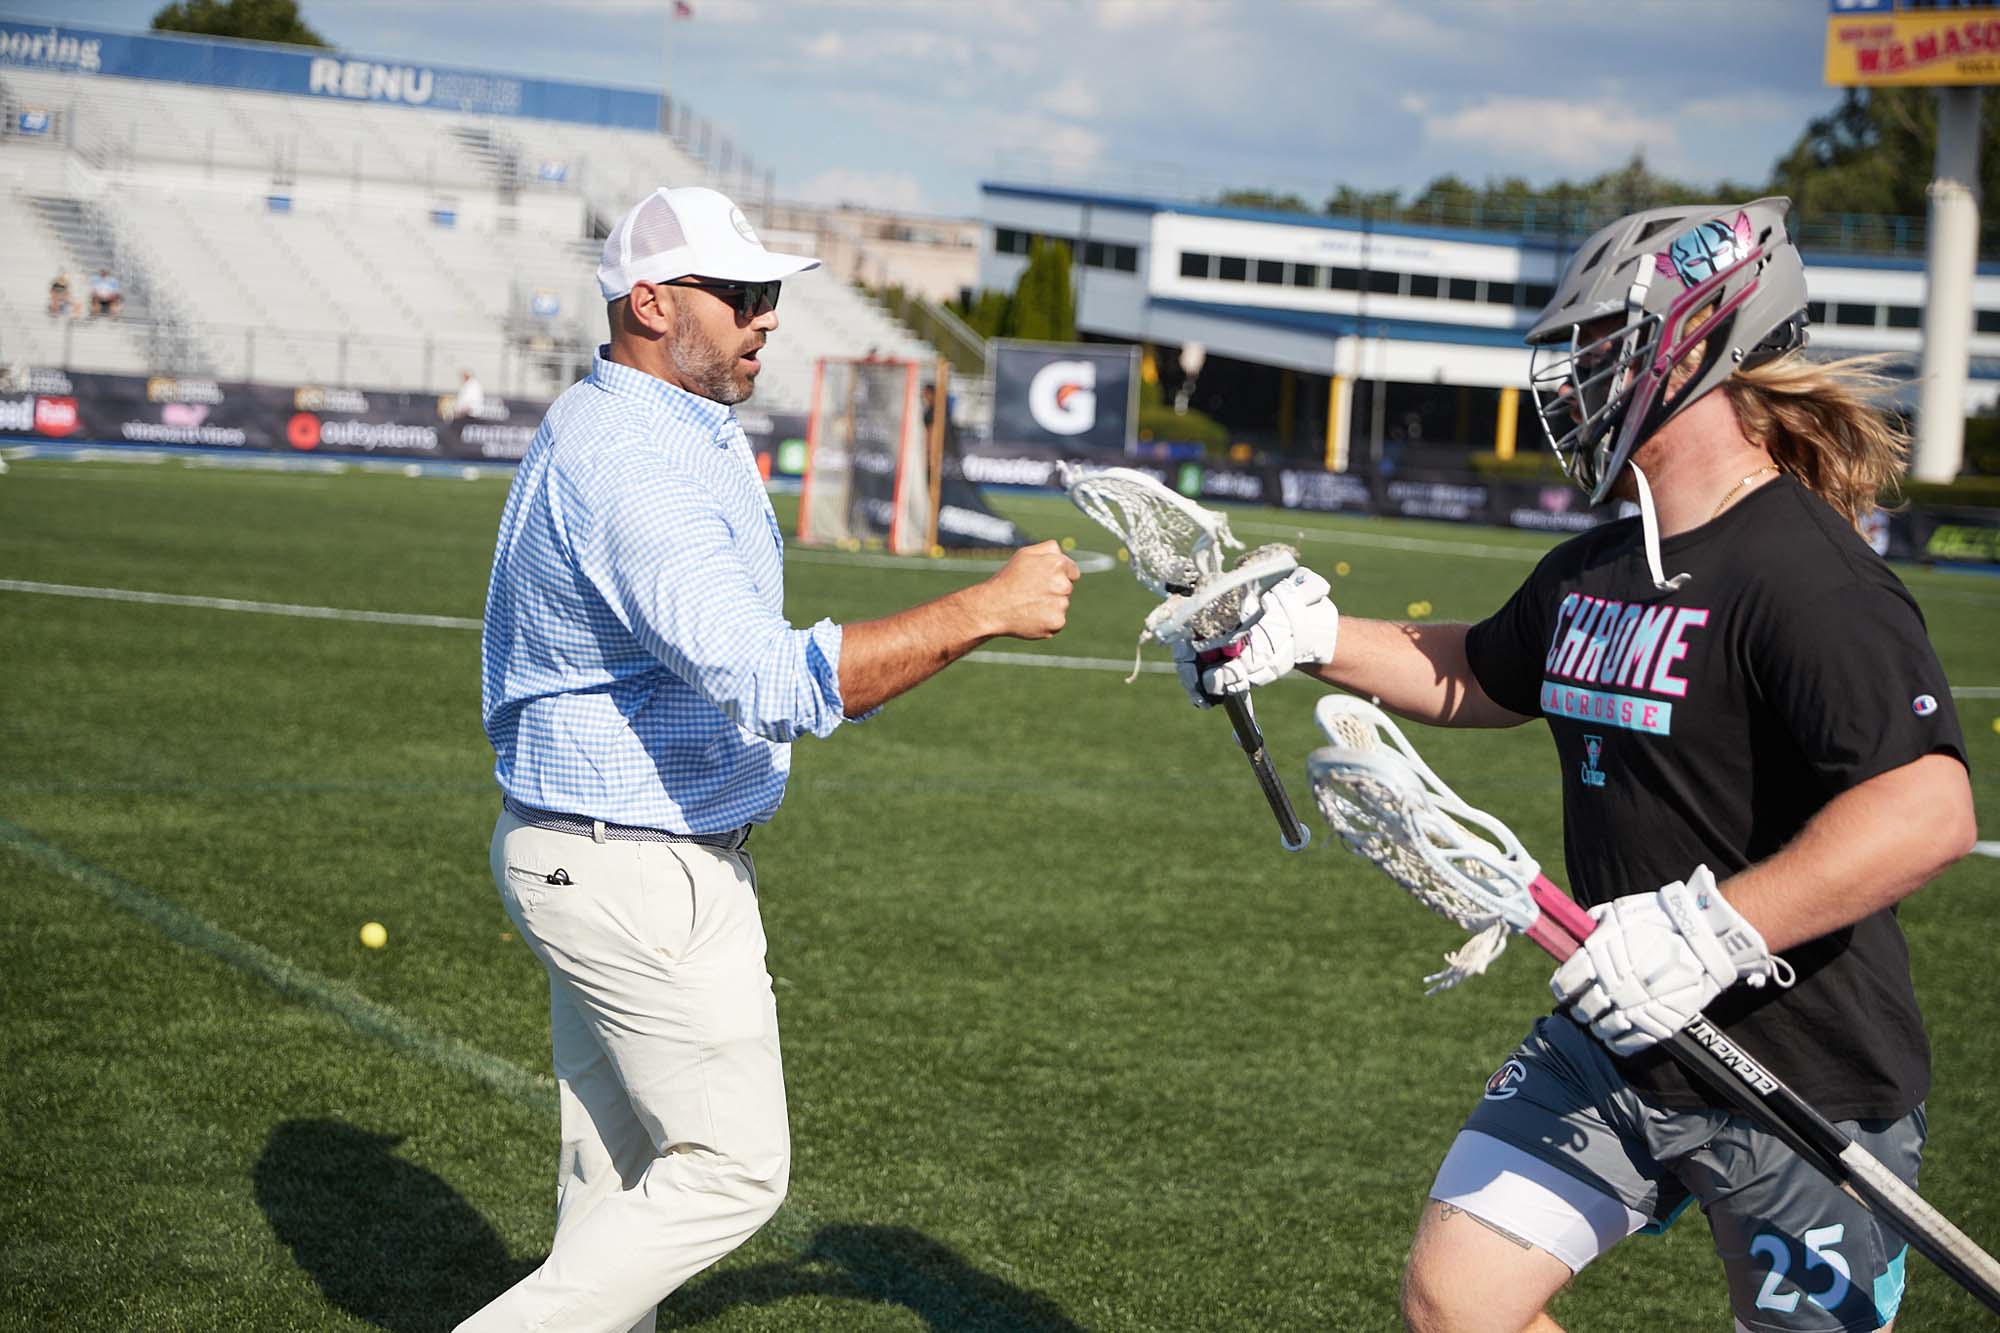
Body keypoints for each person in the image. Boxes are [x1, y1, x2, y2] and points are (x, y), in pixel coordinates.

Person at [1179, 197, 1975, 1333]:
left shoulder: (1806, 577)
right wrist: (1306, 638)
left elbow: (1927, 809)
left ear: (1700, 345)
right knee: (1457, 1300)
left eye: (1601, 346)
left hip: (1801, 1076)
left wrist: (1712, 932)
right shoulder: (1597, 566)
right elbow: (1479, 675)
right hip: (1618, 1039)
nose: (1571, 379)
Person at [464, 185, 1079, 1333]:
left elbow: (747, 677)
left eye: (768, 294)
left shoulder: (641, 425)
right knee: (732, 1170)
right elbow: (766, 679)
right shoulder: (636, 462)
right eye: (739, 295)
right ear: (649, 302)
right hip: (636, 866)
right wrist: (985, 608)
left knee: (617, 1176)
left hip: (607, 849)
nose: (765, 317)